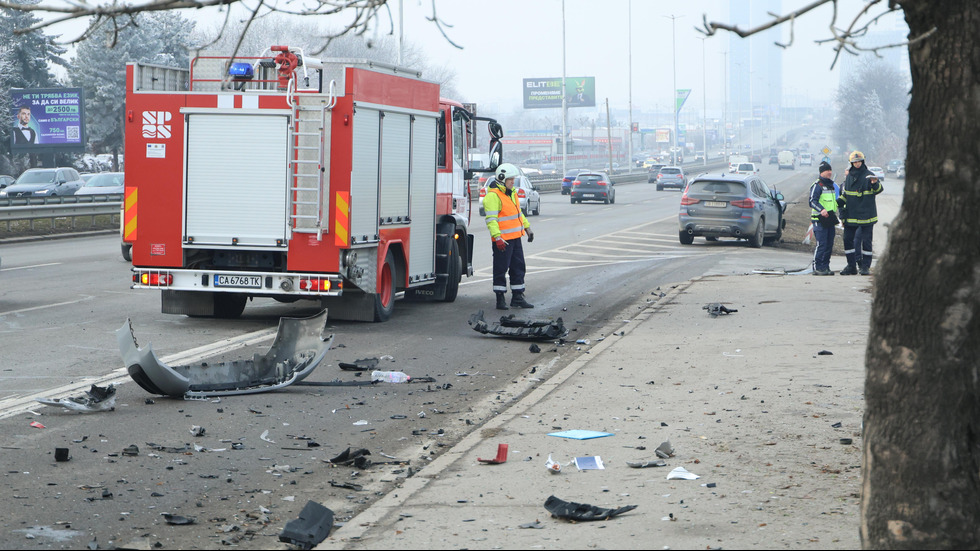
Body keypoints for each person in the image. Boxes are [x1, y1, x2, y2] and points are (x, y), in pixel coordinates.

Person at [484, 163, 535, 310]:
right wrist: (497, 237)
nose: (513, 181)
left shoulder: (512, 193)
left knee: (518, 267)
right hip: (503, 241)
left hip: (515, 238)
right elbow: (491, 220)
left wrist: (528, 228)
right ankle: (500, 299)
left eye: (513, 179)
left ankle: (517, 298)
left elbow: (519, 214)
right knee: (501, 269)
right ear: (501, 179)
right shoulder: (493, 196)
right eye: (510, 179)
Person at [837, 150, 883, 275]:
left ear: (863, 162)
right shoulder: (849, 177)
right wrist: (837, 203)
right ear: (851, 163)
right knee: (847, 239)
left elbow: (879, 190)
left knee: (866, 242)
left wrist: (874, 183)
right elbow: (845, 195)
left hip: (866, 215)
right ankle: (851, 265)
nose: (857, 164)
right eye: (854, 162)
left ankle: (865, 267)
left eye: (859, 162)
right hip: (851, 215)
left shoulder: (869, 175)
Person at [808, 161, 839, 275]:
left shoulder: (831, 186)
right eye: (827, 170)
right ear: (822, 172)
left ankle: (825, 266)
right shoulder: (817, 185)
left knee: (829, 244)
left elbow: (833, 203)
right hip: (819, 219)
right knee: (821, 244)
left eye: (830, 170)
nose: (830, 172)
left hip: (829, 219)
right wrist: (822, 210)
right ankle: (817, 267)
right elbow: (812, 201)